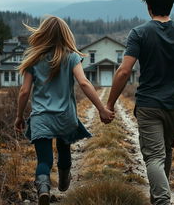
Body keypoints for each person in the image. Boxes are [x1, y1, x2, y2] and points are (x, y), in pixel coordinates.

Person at [105, 0, 174, 205]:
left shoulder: (139, 33)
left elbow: (124, 71)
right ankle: (158, 197)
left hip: (149, 105)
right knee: (166, 151)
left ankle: (162, 200)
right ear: (170, 6)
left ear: (149, 7)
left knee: (154, 157)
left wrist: (110, 103)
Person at [14, 16, 114, 205]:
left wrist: (19, 116)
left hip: (40, 118)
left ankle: (43, 187)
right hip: (65, 117)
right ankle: (63, 181)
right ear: (65, 35)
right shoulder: (71, 56)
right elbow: (84, 82)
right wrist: (101, 109)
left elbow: (24, 91)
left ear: (42, 34)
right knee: (64, 149)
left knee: (44, 160)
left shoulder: (33, 59)